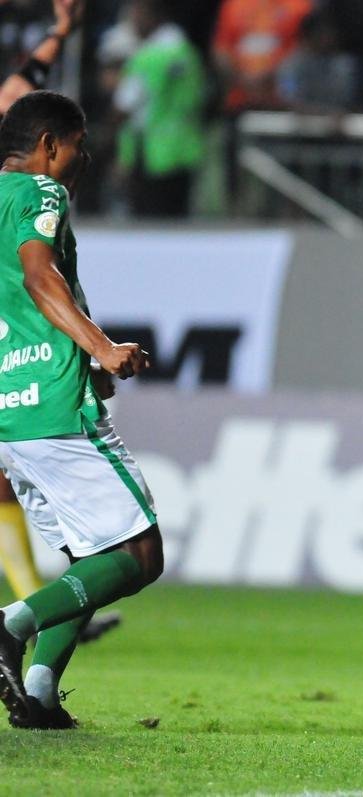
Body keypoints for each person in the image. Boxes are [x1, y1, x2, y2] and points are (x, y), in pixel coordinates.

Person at [0, 91, 163, 730]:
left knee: (87, 556)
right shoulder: (42, 195)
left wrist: (85, 362)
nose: (82, 159)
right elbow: (41, 278)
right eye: (76, 145)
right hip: (52, 408)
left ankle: (39, 691)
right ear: (46, 147)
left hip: (10, 411)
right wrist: (103, 347)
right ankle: (12, 627)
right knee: (138, 553)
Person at [0, 0, 120, 646]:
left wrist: (57, 36)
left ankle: (28, 606)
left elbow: (17, 93)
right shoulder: (31, 189)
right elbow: (17, 94)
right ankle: (19, 614)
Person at [112, 0, 207, 218]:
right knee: (178, 223)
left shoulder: (148, 57)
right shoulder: (189, 53)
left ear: (151, 15)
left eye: (135, 15)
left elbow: (123, 106)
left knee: (150, 228)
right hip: (186, 149)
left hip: (151, 156)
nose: (132, 23)